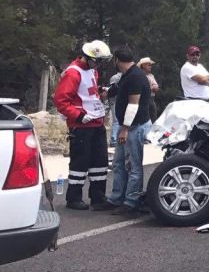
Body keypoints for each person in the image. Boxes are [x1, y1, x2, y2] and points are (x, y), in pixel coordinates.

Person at [53, 40, 115, 210]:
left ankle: (98, 196)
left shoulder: (91, 71)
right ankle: (73, 198)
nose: (100, 65)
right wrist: (79, 116)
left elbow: (89, 92)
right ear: (89, 57)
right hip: (81, 125)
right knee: (80, 162)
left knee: (100, 161)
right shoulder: (73, 73)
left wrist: (105, 91)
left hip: (96, 122)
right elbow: (61, 101)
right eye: (98, 61)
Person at [108, 48, 153, 214]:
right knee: (118, 163)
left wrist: (125, 129)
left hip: (134, 126)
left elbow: (133, 104)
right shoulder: (127, 74)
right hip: (126, 125)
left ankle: (132, 200)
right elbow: (117, 89)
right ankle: (116, 197)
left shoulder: (135, 77)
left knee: (133, 165)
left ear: (117, 60)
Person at [138, 57, 159, 122]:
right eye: (149, 65)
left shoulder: (151, 75)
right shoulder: (139, 76)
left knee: (153, 118)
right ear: (143, 65)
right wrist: (152, 87)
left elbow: (156, 88)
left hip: (152, 99)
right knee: (145, 119)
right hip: (143, 99)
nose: (151, 67)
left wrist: (154, 88)